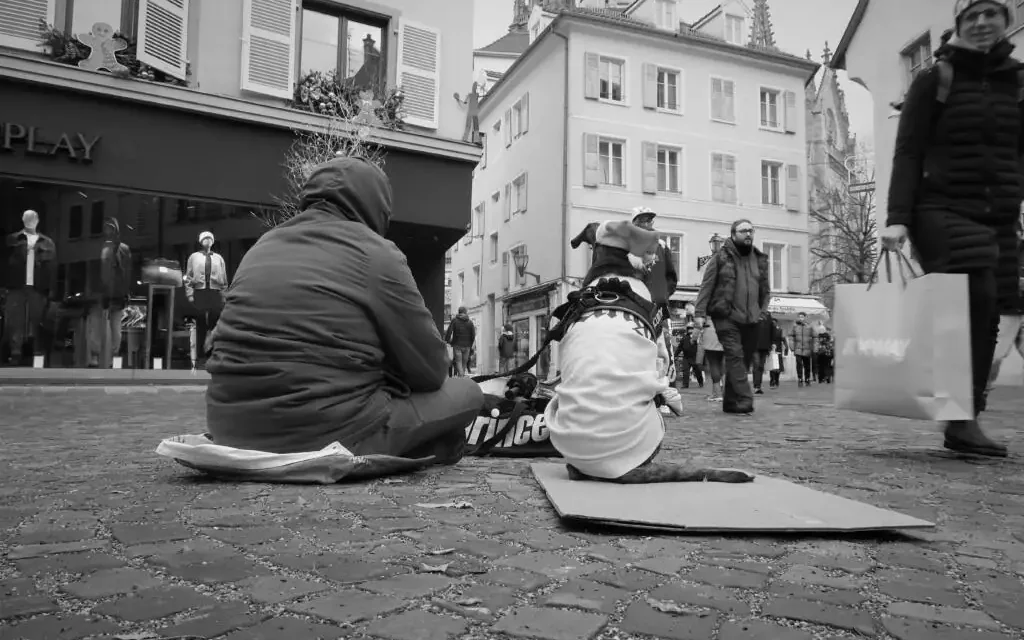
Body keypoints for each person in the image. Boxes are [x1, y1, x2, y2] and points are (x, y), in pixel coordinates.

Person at [205, 157, 484, 460]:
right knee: (468, 393)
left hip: (228, 427)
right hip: (323, 432)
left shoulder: (261, 246)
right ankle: (422, 445)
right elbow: (431, 370)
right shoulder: (376, 253)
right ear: (376, 207)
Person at [880, 0, 1019, 457]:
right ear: (959, 24)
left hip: (998, 213)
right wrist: (898, 218)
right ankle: (960, 418)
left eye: (991, 13)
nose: (981, 22)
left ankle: (965, 416)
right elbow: (908, 151)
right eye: (971, 15)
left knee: (991, 312)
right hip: (939, 206)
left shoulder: (1018, 81)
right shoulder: (935, 78)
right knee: (975, 296)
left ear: (1006, 21)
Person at [694, 219, 771, 415]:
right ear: (733, 234)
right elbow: (707, 286)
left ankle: (730, 402)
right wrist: (699, 314)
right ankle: (745, 399)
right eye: (743, 231)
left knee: (742, 361)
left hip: (752, 318)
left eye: (751, 230)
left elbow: (765, 290)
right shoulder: (721, 257)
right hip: (725, 316)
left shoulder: (759, 259)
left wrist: (762, 312)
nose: (748, 234)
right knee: (735, 355)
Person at [87, 218, 131, 368]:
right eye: (106, 228)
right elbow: (93, 270)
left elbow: (127, 272)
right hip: (101, 293)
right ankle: (95, 356)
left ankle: (114, 358)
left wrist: (125, 291)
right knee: (97, 326)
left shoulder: (122, 249)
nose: (108, 231)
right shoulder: (98, 247)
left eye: (111, 228)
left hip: (116, 293)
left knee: (115, 327)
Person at [445, 306, 476, 377]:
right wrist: (470, 344)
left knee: (458, 362)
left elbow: (449, 331)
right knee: (464, 364)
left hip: (457, 345)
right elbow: (473, 335)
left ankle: (461, 377)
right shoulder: (470, 322)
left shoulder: (454, 320)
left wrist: (447, 341)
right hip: (467, 346)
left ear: (459, 312)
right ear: (465, 312)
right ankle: (461, 378)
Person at [789, 313, 815, 386]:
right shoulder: (795, 326)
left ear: (805, 317)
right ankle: (800, 378)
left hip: (807, 349)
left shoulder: (809, 326)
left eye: (802, 317)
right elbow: (791, 337)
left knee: (807, 365)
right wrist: (792, 346)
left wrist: (814, 348)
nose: (801, 318)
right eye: (800, 317)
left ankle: (807, 378)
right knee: (799, 365)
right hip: (798, 349)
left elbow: (815, 337)